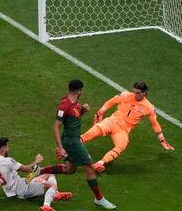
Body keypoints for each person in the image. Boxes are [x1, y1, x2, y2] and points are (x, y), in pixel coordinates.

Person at [27, 79, 116, 210]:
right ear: (79, 91)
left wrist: (82, 110)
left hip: (73, 140)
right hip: (72, 142)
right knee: (90, 169)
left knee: (70, 169)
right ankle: (99, 199)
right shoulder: (65, 105)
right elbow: (56, 127)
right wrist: (61, 147)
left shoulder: (74, 103)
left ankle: (40, 170)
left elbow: (73, 117)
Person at [79, 82, 175, 173]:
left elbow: (155, 123)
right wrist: (100, 112)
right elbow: (112, 101)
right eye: (134, 92)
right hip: (112, 121)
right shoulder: (126, 95)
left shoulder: (149, 107)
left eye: (138, 93)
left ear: (145, 93)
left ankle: (100, 163)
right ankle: (72, 147)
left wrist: (162, 139)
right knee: (91, 133)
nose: (135, 94)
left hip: (123, 130)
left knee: (121, 146)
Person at [0, 137, 72, 211]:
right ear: (2, 149)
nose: (8, 148)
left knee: (48, 173)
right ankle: (46, 206)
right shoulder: (7, 161)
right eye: (7, 146)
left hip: (19, 184)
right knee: (51, 185)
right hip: (21, 189)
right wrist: (37, 161)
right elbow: (27, 169)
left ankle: (56, 194)